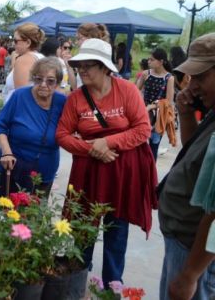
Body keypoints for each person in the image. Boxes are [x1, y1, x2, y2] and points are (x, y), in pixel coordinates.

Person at [56, 38, 157, 287]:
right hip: (88, 171)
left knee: (117, 228)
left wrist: (108, 142)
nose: (83, 70)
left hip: (122, 172)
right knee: (83, 227)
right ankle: (77, 280)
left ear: (105, 68)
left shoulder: (127, 91)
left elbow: (143, 129)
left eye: (90, 65)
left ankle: (113, 284)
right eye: (80, 65)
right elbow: (62, 135)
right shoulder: (76, 99)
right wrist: (93, 148)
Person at [157, 33, 215, 300]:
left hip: (196, 251)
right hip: (184, 242)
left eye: (201, 77)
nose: (193, 85)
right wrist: (186, 112)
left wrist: (190, 274)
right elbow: (196, 154)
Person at [0, 58, 67, 197]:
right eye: (38, 79)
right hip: (15, 167)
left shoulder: (62, 102)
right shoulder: (19, 96)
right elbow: (1, 125)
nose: (43, 85)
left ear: (57, 83)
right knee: (7, 213)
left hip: (45, 171)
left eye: (50, 81)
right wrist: (7, 152)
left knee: (35, 214)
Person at [136, 48, 175, 160]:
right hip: (143, 114)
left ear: (161, 62)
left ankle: (150, 174)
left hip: (159, 117)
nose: (148, 61)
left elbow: (168, 101)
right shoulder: (145, 74)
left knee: (154, 146)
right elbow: (135, 91)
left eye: (152, 60)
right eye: (149, 59)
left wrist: (151, 106)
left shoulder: (169, 78)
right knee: (139, 145)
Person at [2, 23, 46, 104]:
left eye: (16, 41)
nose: (13, 44)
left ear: (28, 42)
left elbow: (21, 96)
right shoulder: (41, 57)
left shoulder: (24, 60)